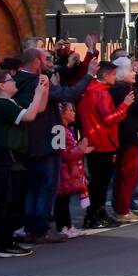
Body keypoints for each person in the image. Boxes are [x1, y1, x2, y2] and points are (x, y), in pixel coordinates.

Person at [14, 38, 96, 244]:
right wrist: (89, 76)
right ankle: (41, 229)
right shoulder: (37, 82)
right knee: (48, 185)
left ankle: (31, 228)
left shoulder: (20, 80)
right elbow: (68, 93)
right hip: (46, 141)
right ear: (35, 62)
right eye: (46, 59)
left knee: (33, 187)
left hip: (35, 141)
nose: (49, 62)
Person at [0, 69, 47, 257]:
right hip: (6, 158)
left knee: (14, 202)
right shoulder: (1, 104)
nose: (14, 82)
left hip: (16, 158)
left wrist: (44, 89)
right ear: (2, 86)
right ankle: (1, 243)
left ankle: (6, 239)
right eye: (10, 80)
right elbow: (29, 116)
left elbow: (38, 109)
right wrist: (37, 93)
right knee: (8, 202)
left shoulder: (12, 102)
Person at [77, 61, 135, 229]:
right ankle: (96, 215)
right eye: (114, 74)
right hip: (104, 143)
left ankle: (95, 214)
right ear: (108, 74)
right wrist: (124, 105)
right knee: (100, 184)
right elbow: (109, 119)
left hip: (93, 140)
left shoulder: (89, 91)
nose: (116, 77)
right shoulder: (102, 93)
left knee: (96, 183)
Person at [108, 59, 138, 222]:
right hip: (127, 137)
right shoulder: (122, 90)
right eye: (130, 70)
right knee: (127, 174)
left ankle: (123, 207)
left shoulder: (127, 88)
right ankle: (122, 210)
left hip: (132, 135)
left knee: (128, 174)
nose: (134, 73)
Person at [54, 101, 92, 238]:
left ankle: (68, 225)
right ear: (62, 113)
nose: (74, 113)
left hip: (68, 171)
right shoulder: (58, 129)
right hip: (63, 172)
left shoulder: (66, 129)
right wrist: (80, 149)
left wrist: (81, 150)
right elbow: (62, 154)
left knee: (64, 200)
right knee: (61, 200)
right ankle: (64, 227)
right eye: (71, 111)